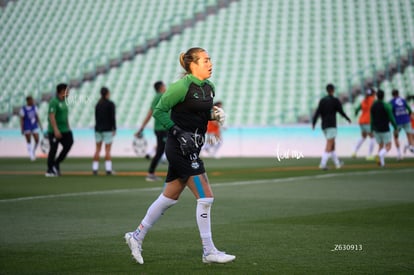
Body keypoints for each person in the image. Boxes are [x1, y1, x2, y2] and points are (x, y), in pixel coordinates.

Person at [124, 47, 235, 264]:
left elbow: (199, 113)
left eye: (210, 59)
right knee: (206, 197)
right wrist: (178, 132)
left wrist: (214, 114)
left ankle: (136, 236)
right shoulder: (181, 86)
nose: (210, 63)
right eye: (205, 60)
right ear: (192, 64)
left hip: (193, 146)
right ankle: (208, 250)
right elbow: (159, 111)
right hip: (179, 148)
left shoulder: (209, 87)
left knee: (169, 197)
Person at [312, 83, 351, 170]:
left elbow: (317, 112)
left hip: (324, 126)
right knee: (329, 144)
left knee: (332, 145)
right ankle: (323, 163)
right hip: (331, 125)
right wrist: (347, 119)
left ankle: (337, 163)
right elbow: (341, 112)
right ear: (333, 90)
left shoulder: (322, 100)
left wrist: (314, 123)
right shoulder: (335, 100)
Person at [135, 81, 168, 181]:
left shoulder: (158, 97)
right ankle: (150, 173)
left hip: (162, 128)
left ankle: (152, 172)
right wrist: (141, 129)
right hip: (162, 129)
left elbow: (150, 113)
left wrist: (141, 129)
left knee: (164, 150)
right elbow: (150, 113)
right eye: (164, 85)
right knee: (161, 151)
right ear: (161, 87)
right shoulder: (160, 97)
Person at [45, 83, 73, 177]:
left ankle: (56, 163)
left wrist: (68, 126)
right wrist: (56, 130)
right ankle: (49, 169)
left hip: (65, 129)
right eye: (67, 90)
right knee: (53, 149)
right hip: (54, 131)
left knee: (69, 143)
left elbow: (65, 115)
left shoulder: (65, 101)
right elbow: (51, 116)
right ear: (62, 91)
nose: (68, 92)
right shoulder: (54, 102)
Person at [92, 87, 116, 175]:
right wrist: (114, 128)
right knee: (107, 150)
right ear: (107, 93)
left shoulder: (98, 104)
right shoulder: (110, 104)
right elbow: (112, 117)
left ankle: (95, 169)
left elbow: (96, 117)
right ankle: (108, 169)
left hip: (98, 129)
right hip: (107, 129)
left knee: (97, 149)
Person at [371, 90, 397, 167]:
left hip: (376, 129)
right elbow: (391, 118)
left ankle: (382, 163)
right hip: (385, 129)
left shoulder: (373, 106)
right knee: (388, 146)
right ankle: (379, 155)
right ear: (383, 96)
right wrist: (395, 127)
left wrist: (371, 129)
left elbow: (371, 119)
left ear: (377, 96)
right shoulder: (386, 105)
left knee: (380, 146)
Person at [389, 89, 414, 159]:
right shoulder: (403, 100)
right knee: (410, 136)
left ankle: (399, 153)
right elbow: (409, 111)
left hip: (397, 122)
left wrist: (390, 120)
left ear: (392, 95)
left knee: (396, 137)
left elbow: (390, 112)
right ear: (398, 93)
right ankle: (412, 148)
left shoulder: (391, 102)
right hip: (406, 120)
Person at [352, 88, 376, 160]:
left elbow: (357, 109)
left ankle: (354, 152)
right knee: (372, 137)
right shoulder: (373, 100)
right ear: (373, 93)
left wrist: (356, 113)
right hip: (368, 121)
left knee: (363, 137)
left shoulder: (364, 100)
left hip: (361, 121)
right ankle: (369, 155)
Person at [19, 96, 43, 161]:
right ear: (28, 101)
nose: (32, 101)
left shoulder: (34, 108)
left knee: (37, 140)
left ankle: (33, 150)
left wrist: (40, 126)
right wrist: (21, 128)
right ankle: (31, 154)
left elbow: (37, 117)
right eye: (31, 100)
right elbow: (21, 119)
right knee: (28, 140)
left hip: (34, 125)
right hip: (27, 126)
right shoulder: (23, 109)